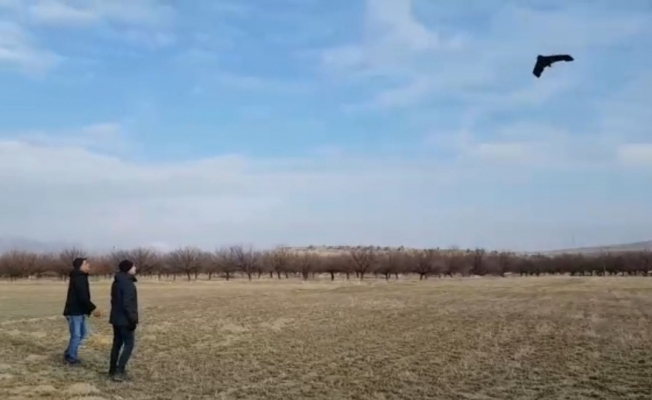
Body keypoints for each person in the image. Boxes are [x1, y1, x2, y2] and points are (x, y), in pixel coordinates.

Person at [62, 257, 101, 365]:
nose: (88, 265)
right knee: (76, 335)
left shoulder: (81, 277)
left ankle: (69, 353)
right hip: (74, 311)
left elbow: (83, 297)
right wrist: (93, 308)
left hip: (79, 311)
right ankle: (71, 358)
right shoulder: (79, 278)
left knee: (83, 333)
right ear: (80, 266)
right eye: (86, 263)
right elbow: (82, 297)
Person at [109, 259, 138, 382]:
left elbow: (113, 300)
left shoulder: (116, 281)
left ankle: (112, 370)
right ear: (128, 269)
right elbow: (128, 303)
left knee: (117, 344)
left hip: (116, 318)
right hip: (125, 320)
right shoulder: (127, 283)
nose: (135, 268)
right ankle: (119, 371)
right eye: (133, 266)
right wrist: (132, 319)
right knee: (129, 344)